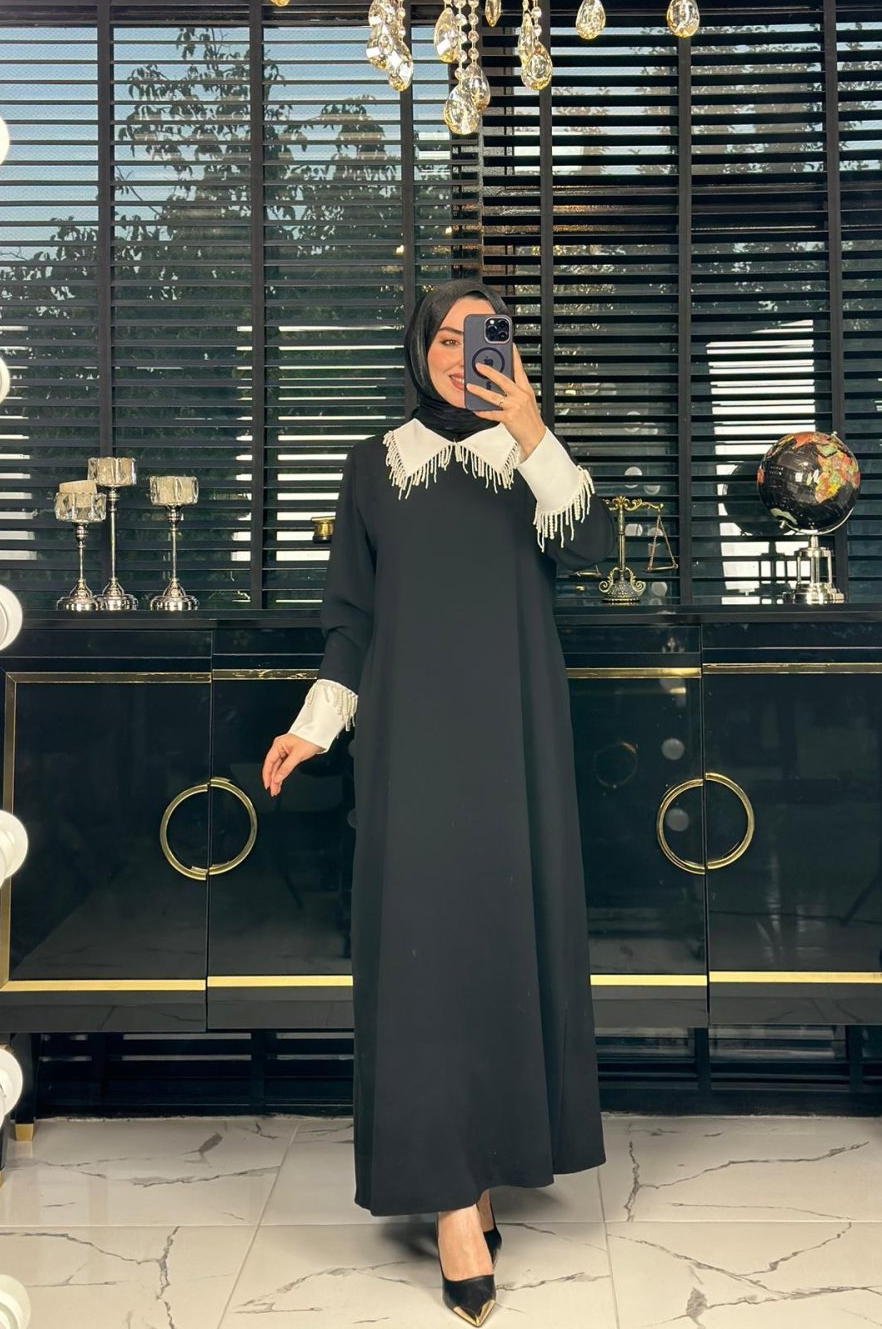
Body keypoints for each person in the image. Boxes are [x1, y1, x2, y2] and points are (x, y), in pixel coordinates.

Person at [261, 279, 616, 1326]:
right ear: (419, 350)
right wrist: (315, 725)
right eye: (447, 337)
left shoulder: (529, 458)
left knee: (501, 948)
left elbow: (594, 551)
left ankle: (480, 1164)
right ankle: (454, 1202)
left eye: (485, 335)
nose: (465, 353)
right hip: (413, 748)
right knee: (423, 962)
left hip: (518, 743)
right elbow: (351, 619)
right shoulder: (374, 466)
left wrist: (533, 429)